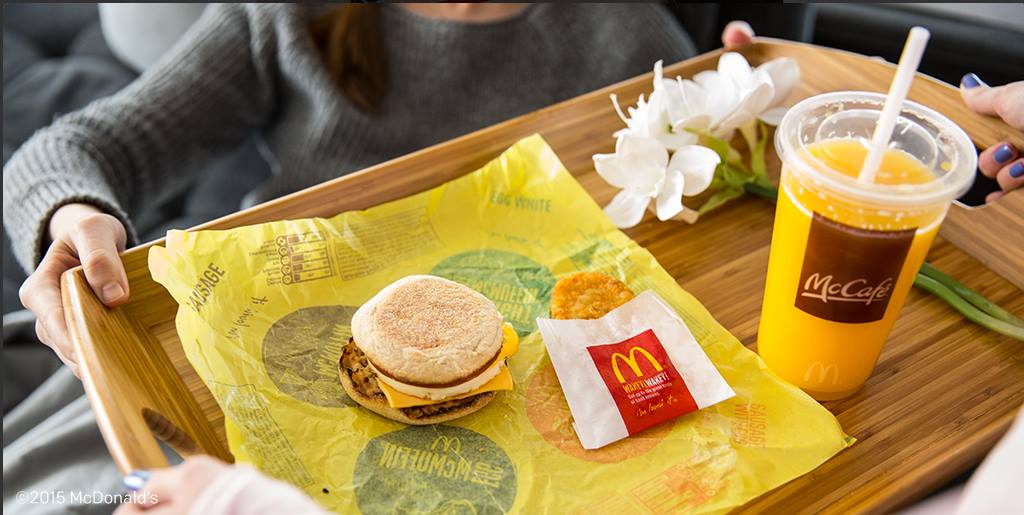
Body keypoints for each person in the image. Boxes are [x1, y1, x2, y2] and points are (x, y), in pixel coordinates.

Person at [1, 4, 756, 514]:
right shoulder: (288, 15)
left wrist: (742, 127)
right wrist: (73, 217)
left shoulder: (626, 30)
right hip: (233, 343)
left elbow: (682, 200)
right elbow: (78, 147)